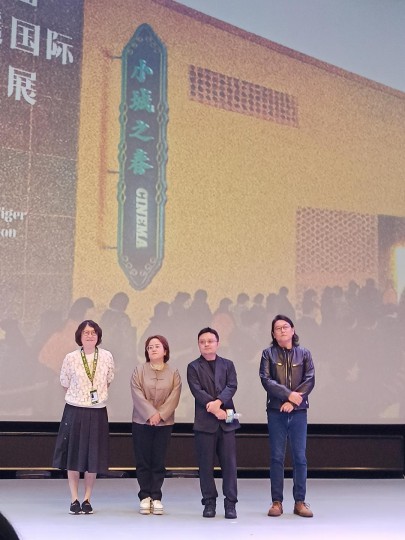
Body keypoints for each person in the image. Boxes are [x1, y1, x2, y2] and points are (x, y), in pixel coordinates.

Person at [53, 320, 114, 515]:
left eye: (93, 332)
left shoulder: (106, 356)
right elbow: (64, 382)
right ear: (79, 336)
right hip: (75, 410)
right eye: (86, 332)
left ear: (98, 336)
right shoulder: (71, 357)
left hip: (97, 411)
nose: (90, 335)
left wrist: (93, 397)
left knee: (92, 456)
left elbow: (108, 380)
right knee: (73, 454)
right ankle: (74, 499)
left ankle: (87, 499)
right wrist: (79, 397)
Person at [259, 314, 315, 518]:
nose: (282, 330)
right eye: (277, 328)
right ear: (273, 334)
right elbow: (266, 380)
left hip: (298, 411)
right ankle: (277, 502)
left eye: (285, 327)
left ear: (293, 330)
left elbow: (310, 379)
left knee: (300, 457)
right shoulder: (268, 354)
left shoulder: (304, 353)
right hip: (276, 411)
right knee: (276, 457)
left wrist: (292, 401)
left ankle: (300, 502)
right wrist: (287, 395)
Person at [187, 327, 239, 519]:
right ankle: (209, 502)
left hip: (227, 421)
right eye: (202, 342)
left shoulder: (228, 364)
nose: (206, 344)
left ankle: (230, 504)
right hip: (205, 422)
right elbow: (196, 390)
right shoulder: (193, 367)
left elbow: (232, 386)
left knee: (230, 465)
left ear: (217, 343)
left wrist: (218, 403)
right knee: (205, 465)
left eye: (210, 341)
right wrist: (214, 408)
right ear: (198, 345)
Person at [130, 335, 182, 515]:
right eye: (150, 347)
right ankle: (145, 496)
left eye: (157, 346)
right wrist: (150, 414)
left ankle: (156, 496)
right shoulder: (139, 370)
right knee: (143, 460)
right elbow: (136, 393)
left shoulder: (173, 372)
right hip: (141, 421)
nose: (153, 349)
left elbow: (175, 396)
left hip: (164, 423)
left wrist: (160, 415)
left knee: (158, 461)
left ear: (165, 351)